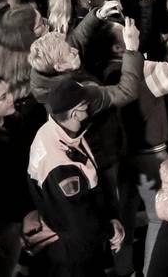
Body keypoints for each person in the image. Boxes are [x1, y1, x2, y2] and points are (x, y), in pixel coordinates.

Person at [28, 76, 127, 276]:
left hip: (77, 239)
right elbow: (79, 218)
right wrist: (110, 230)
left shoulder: (53, 131)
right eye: (86, 106)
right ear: (74, 113)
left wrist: (111, 217)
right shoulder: (59, 165)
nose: (89, 109)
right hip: (76, 250)